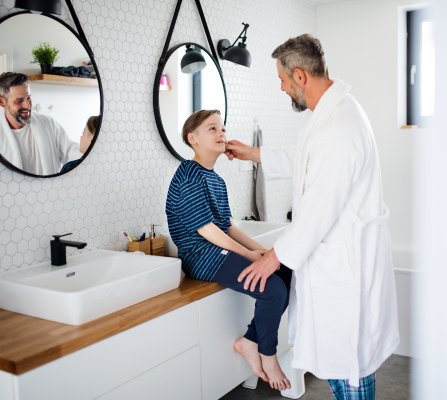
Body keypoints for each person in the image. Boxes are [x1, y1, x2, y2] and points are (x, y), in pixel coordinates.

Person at [225, 34, 399, 400]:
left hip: (345, 268)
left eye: (283, 81)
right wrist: (252, 153)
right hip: (338, 262)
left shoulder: (339, 126)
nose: (283, 88)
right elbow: (304, 157)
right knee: (343, 365)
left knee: (349, 365)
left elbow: (319, 209)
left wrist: (273, 259)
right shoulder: (331, 114)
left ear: (300, 76)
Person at [166, 110, 293, 391]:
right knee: (273, 290)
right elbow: (207, 231)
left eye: (222, 128)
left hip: (218, 251)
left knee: (284, 271)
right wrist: (250, 256)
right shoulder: (188, 174)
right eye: (212, 129)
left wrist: (267, 253)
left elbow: (230, 228)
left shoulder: (216, 180)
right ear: (193, 138)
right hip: (200, 256)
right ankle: (267, 354)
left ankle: (249, 340)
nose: (221, 133)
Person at [0, 72, 81, 175]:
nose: (27, 105)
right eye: (19, 101)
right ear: (1, 101)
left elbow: (72, 152)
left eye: (28, 98)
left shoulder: (48, 124)